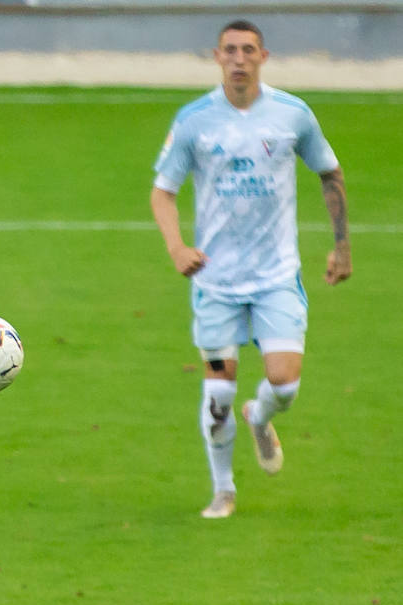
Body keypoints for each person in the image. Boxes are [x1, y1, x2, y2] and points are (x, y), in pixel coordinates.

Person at [150, 19, 351, 519]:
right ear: (216, 57)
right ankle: (224, 490)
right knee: (218, 390)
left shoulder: (292, 115)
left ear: (264, 56)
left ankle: (260, 416)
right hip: (215, 281)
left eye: (248, 50)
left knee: (284, 384)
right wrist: (177, 247)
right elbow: (163, 192)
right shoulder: (194, 120)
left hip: (276, 276)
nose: (239, 59)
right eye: (230, 51)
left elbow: (329, 172)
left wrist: (341, 246)